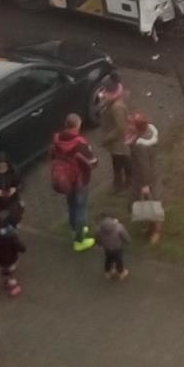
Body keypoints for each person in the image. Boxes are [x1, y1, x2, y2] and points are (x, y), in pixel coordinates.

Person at [50, 113, 98, 252]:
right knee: (81, 208)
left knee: (71, 203)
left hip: (65, 180)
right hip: (80, 180)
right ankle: (80, 240)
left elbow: (52, 155)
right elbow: (92, 162)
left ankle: (73, 228)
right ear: (77, 125)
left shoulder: (57, 138)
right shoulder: (80, 144)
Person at [127, 113, 163, 245]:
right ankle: (151, 227)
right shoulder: (150, 133)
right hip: (153, 173)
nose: (129, 125)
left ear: (138, 128)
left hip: (145, 178)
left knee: (152, 203)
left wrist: (145, 184)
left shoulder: (140, 145)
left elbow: (144, 165)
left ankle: (156, 230)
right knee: (153, 202)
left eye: (132, 124)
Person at [100, 72, 131, 193]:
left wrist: (107, 138)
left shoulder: (116, 107)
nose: (103, 93)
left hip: (118, 144)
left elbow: (120, 128)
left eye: (105, 90)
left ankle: (125, 185)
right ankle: (119, 183)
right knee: (118, 163)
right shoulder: (113, 101)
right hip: (116, 143)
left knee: (122, 163)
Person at [0, 210, 26, 297]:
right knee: (10, 271)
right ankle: (13, 286)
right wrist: (23, 249)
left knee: (5, 268)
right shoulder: (11, 235)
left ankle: (6, 280)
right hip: (11, 257)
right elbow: (18, 245)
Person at [0, 152, 24, 226]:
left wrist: (15, 189)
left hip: (12, 200)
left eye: (4, 166)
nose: (2, 169)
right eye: (0, 167)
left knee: (13, 218)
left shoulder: (14, 171)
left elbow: (21, 183)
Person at [95, 213, 131, 281]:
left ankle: (108, 272)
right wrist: (128, 241)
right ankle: (121, 272)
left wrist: (99, 244)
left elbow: (97, 239)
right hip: (117, 248)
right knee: (118, 260)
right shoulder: (119, 227)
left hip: (107, 249)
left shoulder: (99, 229)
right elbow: (125, 236)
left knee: (108, 260)